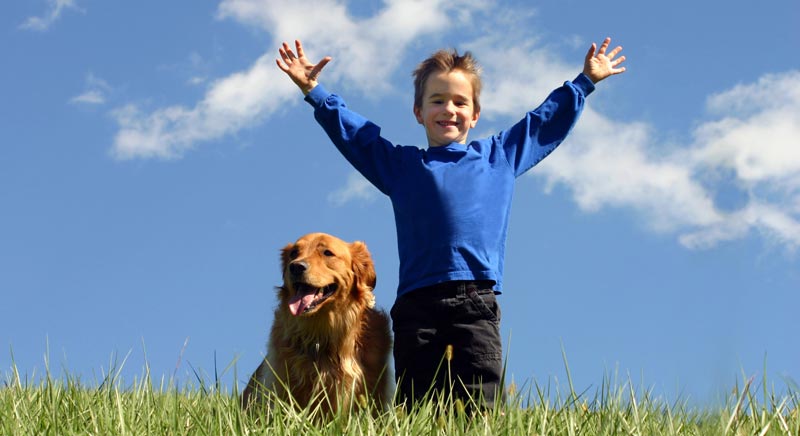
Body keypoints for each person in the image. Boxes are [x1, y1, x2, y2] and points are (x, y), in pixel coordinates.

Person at [275, 38, 626, 408]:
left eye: (461, 102)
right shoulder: (402, 167)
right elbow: (359, 138)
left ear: (475, 114)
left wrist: (584, 82)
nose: (449, 109)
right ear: (418, 112)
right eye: (437, 100)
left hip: (475, 303)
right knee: (417, 409)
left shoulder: (499, 157)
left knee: (479, 408)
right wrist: (315, 91)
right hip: (416, 308)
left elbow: (541, 122)